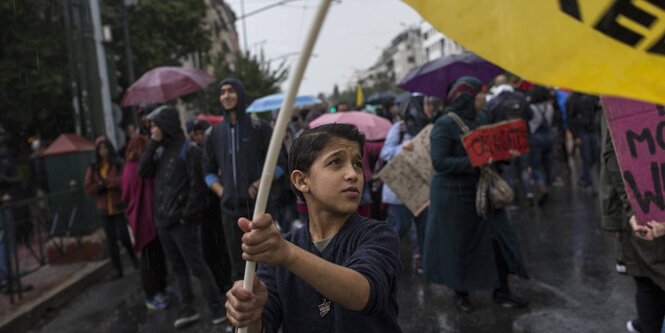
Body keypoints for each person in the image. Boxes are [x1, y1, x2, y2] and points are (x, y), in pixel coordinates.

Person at [224, 123, 401, 333]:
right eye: (336, 162)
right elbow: (264, 325)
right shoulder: (279, 255)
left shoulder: (378, 235)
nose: (353, 174)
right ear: (301, 180)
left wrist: (287, 254)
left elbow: (363, 293)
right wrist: (249, 315)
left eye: (357, 164)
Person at [424, 76, 529, 313]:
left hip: (483, 191)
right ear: (466, 97)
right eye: (480, 93)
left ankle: (502, 291)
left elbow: (490, 151)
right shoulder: (444, 125)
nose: (484, 97)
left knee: (499, 240)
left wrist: (504, 155)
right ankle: (461, 293)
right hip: (453, 197)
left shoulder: (482, 118)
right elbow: (440, 162)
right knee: (459, 246)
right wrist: (475, 161)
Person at [138, 106, 225, 328]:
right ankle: (188, 309)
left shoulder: (190, 150)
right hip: (164, 222)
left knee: (197, 266)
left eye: (156, 125)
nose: (153, 130)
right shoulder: (160, 150)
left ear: (166, 124)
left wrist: (186, 216)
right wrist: (153, 143)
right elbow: (143, 170)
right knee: (177, 268)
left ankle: (217, 308)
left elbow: (197, 188)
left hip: (182, 223)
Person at [203, 78, 286, 282]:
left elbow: (281, 164)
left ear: (240, 93)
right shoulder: (214, 133)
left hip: (260, 208)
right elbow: (207, 170)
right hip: (230, 210)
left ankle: (275, 308)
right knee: (238, 264)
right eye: (222, 92)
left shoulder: (259, 127)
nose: (226, 96)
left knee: (267, 261)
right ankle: (245, 311)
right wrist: (222, 191)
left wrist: (259, 184)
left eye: (231, 91)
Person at [600, 115, 665, 333]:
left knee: (648, 283)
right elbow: (613, 156)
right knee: (647, 281)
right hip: (645, 207)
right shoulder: (621, 99)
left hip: (643, 207)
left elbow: (611, 155)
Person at [380, 94, 433, 273]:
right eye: (424, 104)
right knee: (400, 226)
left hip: (423, 188)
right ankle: (382, 256)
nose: (428, 107)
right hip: (400, 190)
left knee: (424, 228)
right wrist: (402, 148)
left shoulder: (431, 127)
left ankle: (424, 261)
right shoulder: (399, 128)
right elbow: (385, 153)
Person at [121, 135, 170, 311]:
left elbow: (126, 194)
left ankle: (160, 289)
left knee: (155, 257)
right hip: (143, 220)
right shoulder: (136, 167)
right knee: (149, 260)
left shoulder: (130, 167)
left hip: (147, 218)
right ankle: (152, 294)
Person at [189, 118, 233, 292]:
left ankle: (226, 279)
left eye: (202, 134)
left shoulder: (216, 152)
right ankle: (219, 282)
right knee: (209, 249)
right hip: (204, 210)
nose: (200, 137)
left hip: (218, 206)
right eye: (197, 134)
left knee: (222, 246)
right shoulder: (193, 153)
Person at [84, 137, 138, 279]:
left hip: (117, 203)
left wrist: (109, 183)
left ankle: (134, 258)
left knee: (123, 235)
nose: (103, 151)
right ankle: (117, 269)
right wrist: (99, 187)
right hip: (103, 205)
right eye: (100, 148)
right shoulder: (94, 167)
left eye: (105, 147)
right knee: (111, 239)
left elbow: (124, 179)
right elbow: (88, 186)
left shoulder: (118, 163)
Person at [522, 86, 556, 205]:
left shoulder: (531, 108)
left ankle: (541, 186)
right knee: (548, 164)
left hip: (535, 137)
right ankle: (548, 185)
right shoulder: (550, 106)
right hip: (549, 136)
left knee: (535, 166)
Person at [566, 92, 602, 190]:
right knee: (586, 158)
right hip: (582, 133)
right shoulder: (572, 99)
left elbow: (596, 107)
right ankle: (588, 183)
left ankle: (583, 177)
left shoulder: (590, 95)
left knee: (594, 157)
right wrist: (576, 136)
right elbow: (570, 119)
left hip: (592, 130)